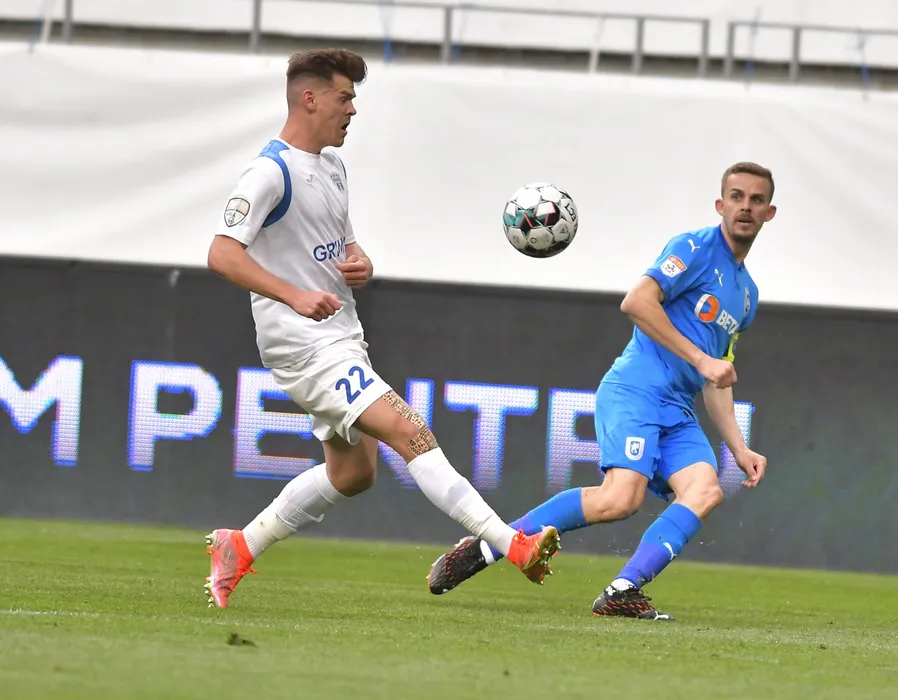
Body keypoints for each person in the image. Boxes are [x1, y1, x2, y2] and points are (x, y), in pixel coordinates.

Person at [202, 48, 560, 609]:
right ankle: (512, 544)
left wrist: (359, 262)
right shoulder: (269, 173)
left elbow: (344, 244)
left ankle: (240, 545)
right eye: (344, 98)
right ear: (310, 98)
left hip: (341, 336)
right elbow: (222, 254)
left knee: (352, 474)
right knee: (410, 430)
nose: (352, 110)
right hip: (304, 346)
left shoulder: (332, 167)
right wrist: (294, 294)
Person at [427, 162, 774, 621]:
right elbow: (637, 301)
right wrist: (701, 359)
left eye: (755, 199)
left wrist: (739, 447)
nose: (745, 207)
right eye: (736, 196)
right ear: (720, 204)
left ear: (769, 213)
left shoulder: (747, 295)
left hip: (677, 411)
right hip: (637, 390)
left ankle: (622, 591)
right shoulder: (693, 248)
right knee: (620, 499)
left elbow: (718, 378)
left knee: (706, 490)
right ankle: (491, 545)